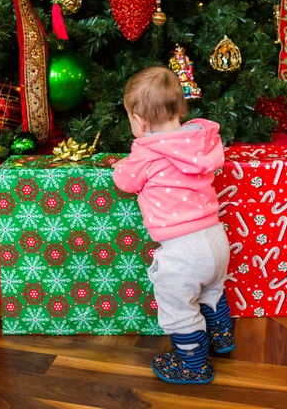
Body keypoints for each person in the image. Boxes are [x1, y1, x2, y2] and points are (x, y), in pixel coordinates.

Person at [112, 65, 235, 385]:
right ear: (180, 108)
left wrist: (118, 166)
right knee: (212, 291)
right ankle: (221, 340)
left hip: (183, 251)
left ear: (139, 121)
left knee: (177, 306)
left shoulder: (146, 152)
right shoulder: (200, 140)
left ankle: (193, 365)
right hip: (215, 239)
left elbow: (125, 181)